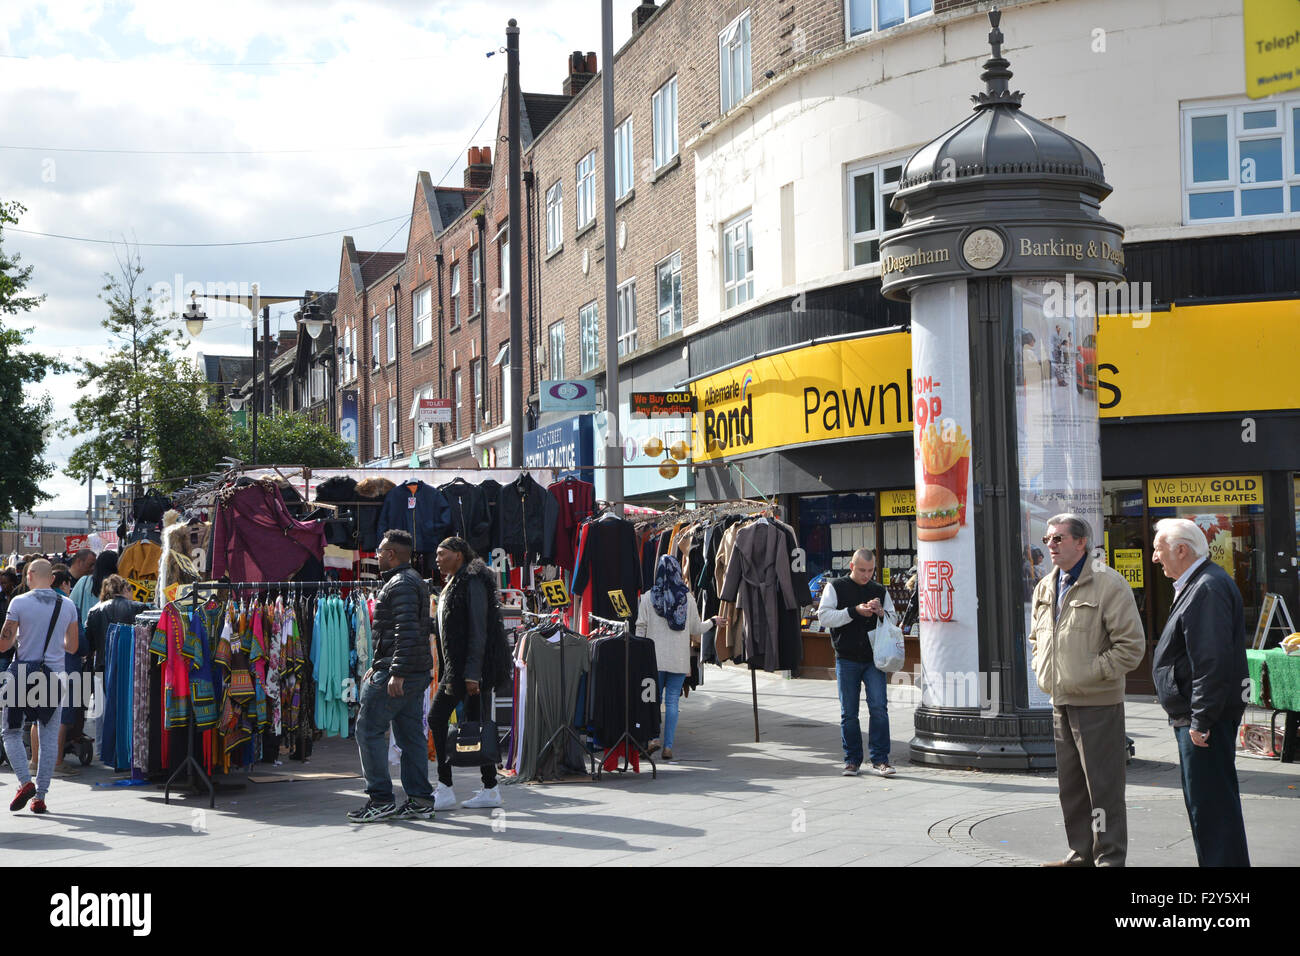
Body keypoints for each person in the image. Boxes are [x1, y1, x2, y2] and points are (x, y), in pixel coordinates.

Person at [1028, 513, 1145, 867]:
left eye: (1059, 539)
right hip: (1060, 701)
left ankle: (1109, 857)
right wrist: (1042, 667)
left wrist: (1090, 673)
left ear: (1081, 542)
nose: (1051, 545)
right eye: (1048, 539)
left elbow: (1131, 646)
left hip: (1098, 703)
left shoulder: (1109, 584)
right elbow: (1036, 638)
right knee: (1073, 789)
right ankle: (1080, 853)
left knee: (1103, 789)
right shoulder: (1046, 585)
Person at [1151, 517, 1251, 867]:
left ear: (1181, 550)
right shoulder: (1200, 583)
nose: (1154, 558)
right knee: (1208, 804)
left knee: (1210, 805)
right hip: (1199, 714)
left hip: (1205, 718)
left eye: (1159, 549)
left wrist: (1201, 719)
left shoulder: (1206, 586)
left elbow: (1211, 660)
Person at [349, 530, 435, 823]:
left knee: (368, 730)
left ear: (392, 554)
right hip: (413, 671)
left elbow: (406, 631)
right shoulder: (411, 581)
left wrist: (394, 671)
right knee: (410, 736)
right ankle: (420, 799)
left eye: (380, 550)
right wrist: (380, 662)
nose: (376, 554)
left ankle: (381, 799)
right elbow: (401, 631)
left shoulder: (400, 584)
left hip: (401, 673)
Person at [428, 536, 510, 812]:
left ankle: (446, 786)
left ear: (459, 555)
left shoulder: (471, 580)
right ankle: (490, 788)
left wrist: (473, 674)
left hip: (466, 669)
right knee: (477, 720)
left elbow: (478, 628)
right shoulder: (455, 581)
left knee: (437, 716)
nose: (437, 559)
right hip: (459, 667)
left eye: (442, 554)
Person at [1, 559, 80, 814]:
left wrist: (19, 638)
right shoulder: (67, 605)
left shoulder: (19, 602)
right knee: (48, 739)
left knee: (11, 732)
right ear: (53, 579)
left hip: (22, 673)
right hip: (54, 677)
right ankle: (40, 797)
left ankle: (25, 783)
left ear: (32, 575)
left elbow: (4, 644)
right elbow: (73, 646)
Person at [817, 548, 895, 777]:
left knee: (879, 708)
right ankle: (852, 760)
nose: (866, 575)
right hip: (847, 657)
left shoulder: (879, 589)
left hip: (874, 658)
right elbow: (824, 617)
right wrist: (854, 611)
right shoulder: (836, 586)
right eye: (862, 570)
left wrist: (880, 612)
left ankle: (881, 759)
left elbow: (893, 619)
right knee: (849, 712)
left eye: (870, 570)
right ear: (852, 566)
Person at [636, 555, 715, 761]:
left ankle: (654, 738)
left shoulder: (647, 598)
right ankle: (668, 746)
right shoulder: (686, 598)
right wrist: (713, 622)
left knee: (654, 700)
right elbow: (697, 628)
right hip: (679, 661)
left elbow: (640, 629)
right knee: (672, 702)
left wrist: (640, 656)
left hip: (654, 660)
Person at [84, 575, 151, 765]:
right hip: (132, 663)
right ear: (125, 589)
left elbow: (88, 641)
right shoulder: (138, 608)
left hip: (102, 664)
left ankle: (102, 748)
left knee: (102, 710)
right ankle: (129, 747)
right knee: (130, 706)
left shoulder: (94, 610)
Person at [67, 548, 98, 623]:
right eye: (90, 565)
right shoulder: (62, 579)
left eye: (95, 565)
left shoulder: (91, 582)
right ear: (79, 562)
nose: (93, 568)